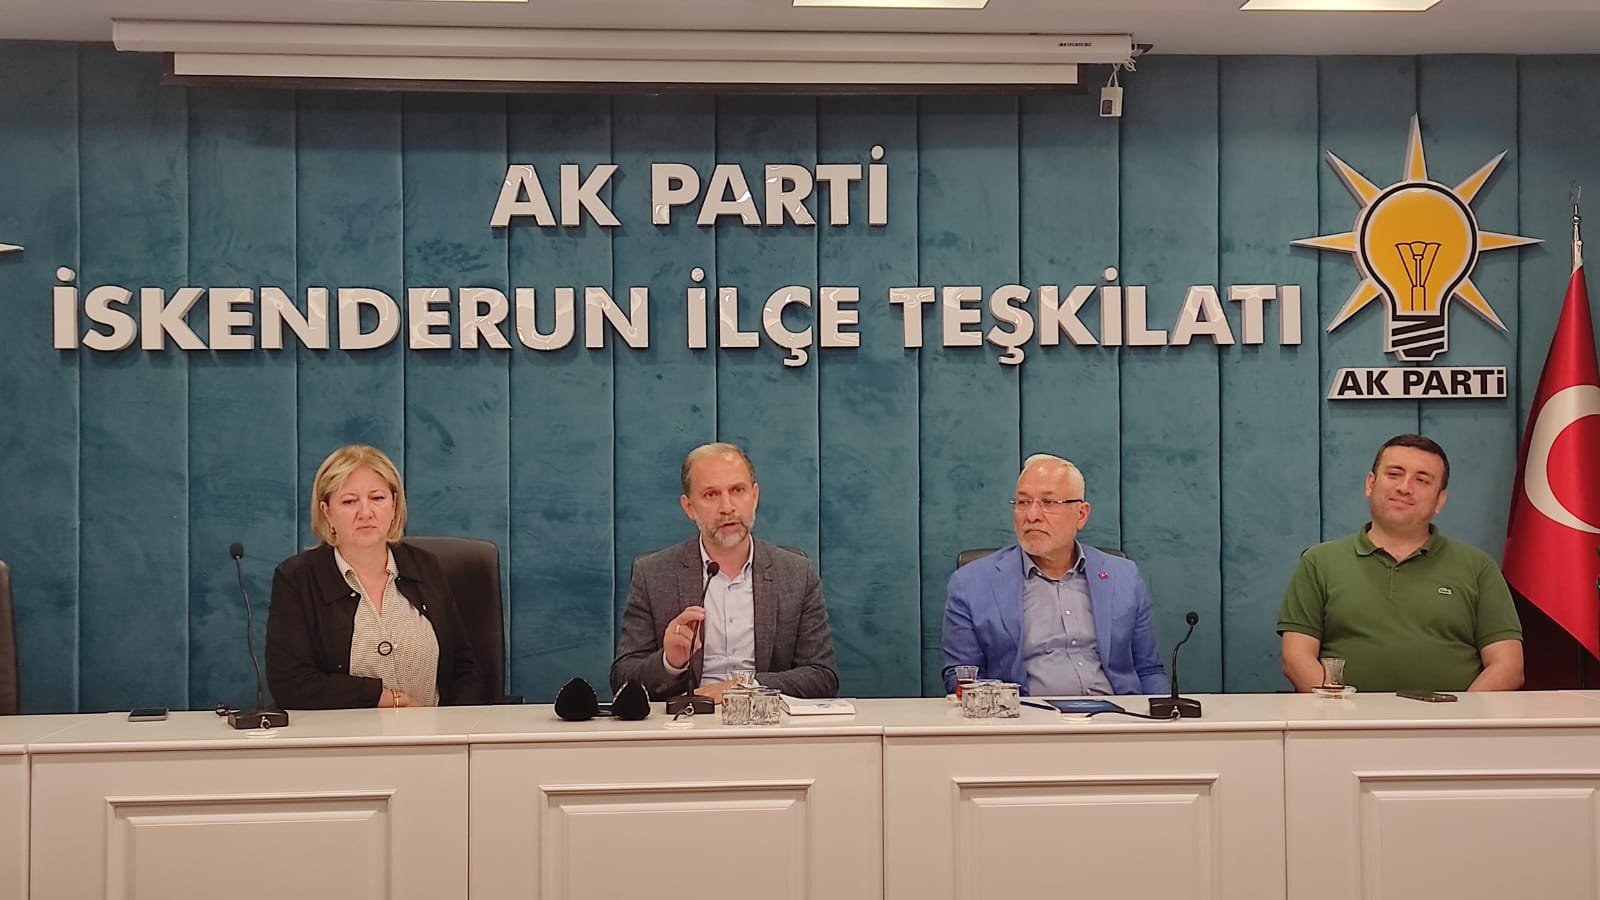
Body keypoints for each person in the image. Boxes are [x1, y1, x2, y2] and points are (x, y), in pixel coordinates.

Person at [1278, 434, 1523, 693]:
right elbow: (1296, 658)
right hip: (1343, 717)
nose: (1405, 488)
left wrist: (1459, 716)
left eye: (1422, 480)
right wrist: (1336, 712)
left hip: (1453, 718)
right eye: (1394, 474)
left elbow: (1508, 665)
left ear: (1440, 500)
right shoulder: (1319, 562)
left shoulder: (1478, 567)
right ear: (1370, 484)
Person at [610, 442, 839, 700]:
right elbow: (622, 680)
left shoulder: (797, 574)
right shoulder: (653, 575)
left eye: (737, 490)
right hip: (687, 720)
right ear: (689, 507)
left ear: (755, 496)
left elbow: (822, 677)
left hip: (765, 720)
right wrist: (670, 662)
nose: (727, 507)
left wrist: (744, 687)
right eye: (711, 494)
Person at [266, 445, 484, 709]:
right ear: (327, 512)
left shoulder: (425, 567)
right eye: (349, 501)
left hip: (434, 730)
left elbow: (465, 668)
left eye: (377, 498)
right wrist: (384, 698)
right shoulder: (298, 579)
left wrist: (450, 726)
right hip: (344, 733)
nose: (366, 513)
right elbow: (291, 683)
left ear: (394, 505)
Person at [942, 454, 1169, 696]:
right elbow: (962, 676)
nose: (1032, 515)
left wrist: (1163, 714)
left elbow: (1149, 670)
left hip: (1115, 714)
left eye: (1048, 503)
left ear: (1081, 515)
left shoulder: (1123, 576)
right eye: (1023, 502)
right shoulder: (971, 584)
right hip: (1025, 716)